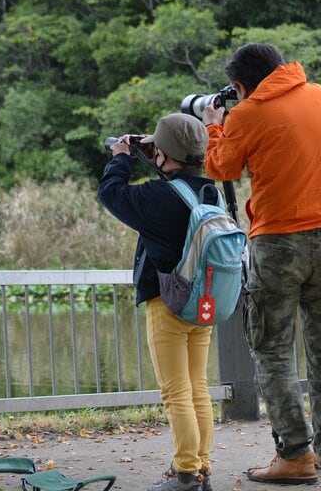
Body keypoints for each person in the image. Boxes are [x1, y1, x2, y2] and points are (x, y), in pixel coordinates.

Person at [202, 43, 321, 484]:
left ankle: (294, 455)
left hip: (279, 241)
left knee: (272, 350)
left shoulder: (246, 114)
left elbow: (222, 168)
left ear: (242, 84)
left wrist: (216, 126)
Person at [97, 113, 216, 491]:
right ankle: (201, 469)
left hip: (167, 302)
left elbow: (110, 194)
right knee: (198, 388)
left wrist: (121, 156)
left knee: (175, 392)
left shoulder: (157, 195)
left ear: (163, 153)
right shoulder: (210, 190)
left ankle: (184, 474)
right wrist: (152, 154)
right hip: (203, 302)